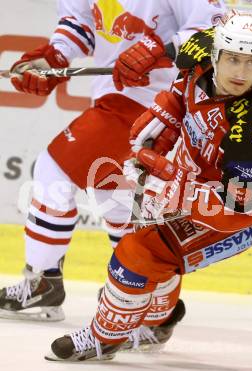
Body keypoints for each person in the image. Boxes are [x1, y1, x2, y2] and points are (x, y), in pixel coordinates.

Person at [44, 9, 252, 362]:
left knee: (138, 253)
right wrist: (167, 109)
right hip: (204, 173)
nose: (241, 73)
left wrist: (172, 185)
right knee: (153, 241)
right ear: (215, 53)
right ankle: (159, 322)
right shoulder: (198, 47)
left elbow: (238, 208)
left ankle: (103, 338)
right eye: (234, 60)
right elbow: (182, 84)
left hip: (246, 209)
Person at [0, 0, 226, 337]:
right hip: (116, 96)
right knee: (115, 196)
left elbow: (216, 30)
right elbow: (82, 23)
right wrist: (56, 56)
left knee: (54, 171)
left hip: (160, 100)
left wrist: (159, 49)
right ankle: (143, 303)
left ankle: (41, 285)